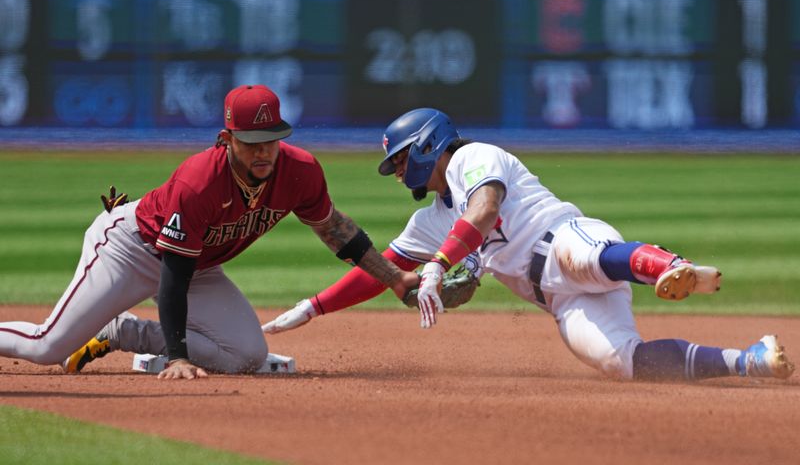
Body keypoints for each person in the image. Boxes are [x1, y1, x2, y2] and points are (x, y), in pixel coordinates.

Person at [263, 108, 795, 382]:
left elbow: (485, 209)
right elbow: (380, 268)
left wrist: (441, 264)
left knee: (584, 259)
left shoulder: (477, 158)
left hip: (564, 238)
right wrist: (313, 307)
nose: (398, 171)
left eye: (401, 158)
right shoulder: (430, 220)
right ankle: (747, 361)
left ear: (428, 143)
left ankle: (668, 266)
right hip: (559, 301)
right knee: (621, 363)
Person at [0, 85, 411, 380]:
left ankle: (121, 331)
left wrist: (395, 279)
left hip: (198, 263)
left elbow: (336, 230)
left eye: (271, 139)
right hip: (131, 249)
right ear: (226, 139)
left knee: (247, 355)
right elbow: (173, 278)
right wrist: (176, 357)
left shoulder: (299, 171)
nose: (264, 150)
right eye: (251, 142)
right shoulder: (199, 183)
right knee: (47, 347)